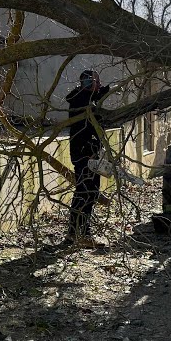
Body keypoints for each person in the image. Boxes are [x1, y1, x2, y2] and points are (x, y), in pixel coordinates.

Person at [65, 69, 110, 246]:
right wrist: (90, 148)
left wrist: (105, 90)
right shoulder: (79, 98)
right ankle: (80, 234)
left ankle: (75, 233)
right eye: (95, 82)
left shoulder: (86, 97)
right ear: (88, 83)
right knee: (85, 193)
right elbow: (89, 101)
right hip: (84, 153)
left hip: (91, 153)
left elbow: (95, 96)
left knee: (89, 192)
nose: (98, 85)